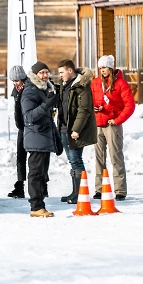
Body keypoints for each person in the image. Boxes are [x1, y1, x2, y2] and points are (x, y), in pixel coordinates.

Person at [91, 55, 135, 201]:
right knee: (99, 158)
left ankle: (120, 190)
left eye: (104, 67)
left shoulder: (120, 84)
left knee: (115, 157)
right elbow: (90, 100)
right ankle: (99, 189)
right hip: (98, 124)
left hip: (112, 125)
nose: (102, 70)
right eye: (100, 68)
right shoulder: (95, 83)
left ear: (110, 67)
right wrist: (94, 108)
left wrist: (117, 120)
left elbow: (130, 106)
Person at [21, 61, 61, 217]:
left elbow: (48, 118)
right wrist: (47, 104)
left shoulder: (44, 89)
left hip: (44, 137)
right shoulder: (30, 91)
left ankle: (40, 205)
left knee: (43, 174)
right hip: (35, 138)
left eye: (46, 72)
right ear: (35, 75)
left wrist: (56, 138)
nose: (45, 75)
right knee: (36, 174)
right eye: (41, 73)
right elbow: (29, 116)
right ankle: (36, 207)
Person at [56, 59, 97, 204]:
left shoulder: (82, 86)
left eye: (62, 72)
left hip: (74, 131)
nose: (60, 75)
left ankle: (80, 194)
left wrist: (76, 129)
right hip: (64, 129)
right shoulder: (64, 85)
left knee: (76, 160)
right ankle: (75, 192)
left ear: (70, 70)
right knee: (72, 161)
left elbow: (83, 110)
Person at [7, 65, 28, 199]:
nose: (15, 83)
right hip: (21, 128)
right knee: (20, 156)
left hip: (31, 128)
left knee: (35, 159)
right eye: (13, 81)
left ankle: (42, 186)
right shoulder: (16, 91)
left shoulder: (29, 89)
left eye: (17, 80)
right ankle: (20, 185)